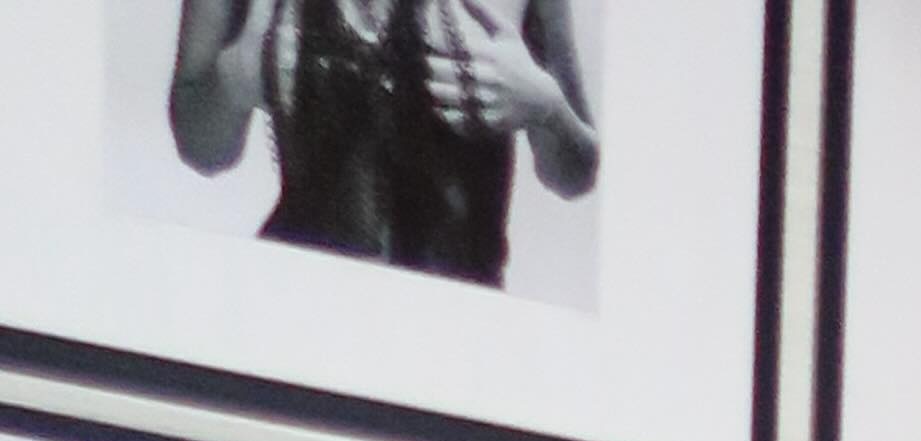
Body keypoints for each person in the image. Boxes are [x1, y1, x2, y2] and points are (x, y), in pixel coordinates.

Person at [167, 0, 599, 287]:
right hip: (300, 307)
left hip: (459, 328)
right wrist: (233, 80)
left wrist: (547, 109)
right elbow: (201, 149)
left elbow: (577, 174)